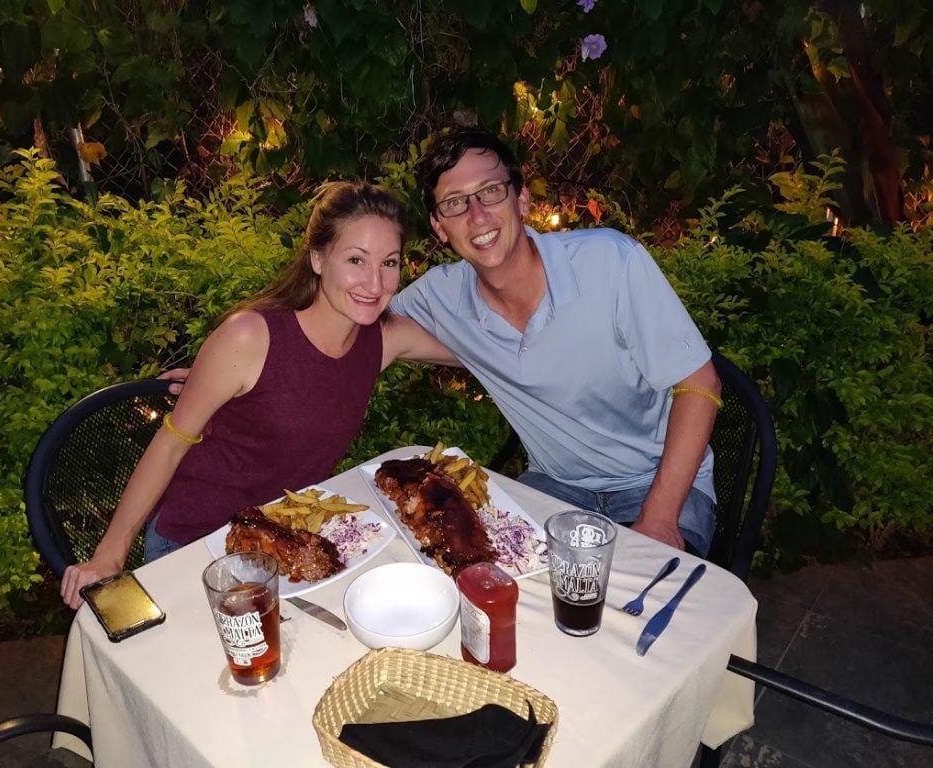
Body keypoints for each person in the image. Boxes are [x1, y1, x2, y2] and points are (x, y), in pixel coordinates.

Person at [60, 181, 456, 609]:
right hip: (198, 544)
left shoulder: (381, 340)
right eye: (356, 259)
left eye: (390, 262)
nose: (375, 283)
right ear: (318, 258)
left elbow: (486, 352)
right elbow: (171, 444)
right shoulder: (251, 336)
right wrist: (109, 555)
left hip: (283, 542)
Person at [387, 127, 721, 556]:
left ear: (521, 199)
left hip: (657, 483)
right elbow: (359, 329)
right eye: (455, 203)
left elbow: (700, 383)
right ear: (439, 226)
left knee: (637, 608)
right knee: (477, 575)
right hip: (555, 489)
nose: (477, 215)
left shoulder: (609, 263)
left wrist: (659, 515)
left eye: (490, 191)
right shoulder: (441, 298)